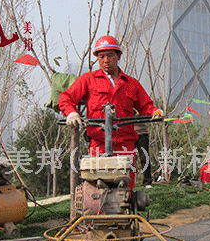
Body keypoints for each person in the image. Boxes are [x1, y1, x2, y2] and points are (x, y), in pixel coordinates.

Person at [59, 35, 163, 191]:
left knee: (125, 189)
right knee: (97, 189)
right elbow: (66, 98)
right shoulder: (88, 80)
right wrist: (71, 113)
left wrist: (155, 111)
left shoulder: (131, 84)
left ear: (118, 56)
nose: (105, 60)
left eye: (110, 55)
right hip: (98, 145)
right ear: (97, 59)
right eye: (101, 56)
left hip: (125, 146)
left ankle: (127, 213)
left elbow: (146, 105)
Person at [134, 122, 153, 188]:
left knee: (144, 158)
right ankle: (126, 181)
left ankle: (147, 181)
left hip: (142, 133)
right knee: (128, 159)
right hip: (128, 133)